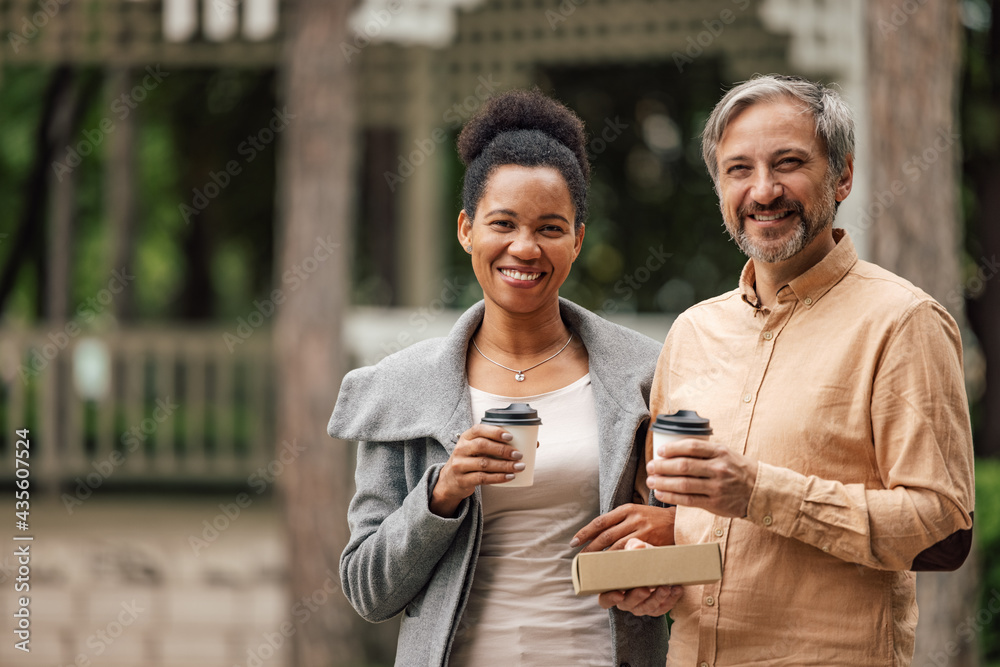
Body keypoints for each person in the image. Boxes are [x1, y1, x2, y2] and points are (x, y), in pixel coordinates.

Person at [598, 75, 976, 666]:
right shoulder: (692, 333)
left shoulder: (903, 322)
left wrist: (756, 491)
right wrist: (654, 564)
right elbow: (686, 513)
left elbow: (943, 532)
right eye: (738, 169)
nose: (764, 190)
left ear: (843, 176)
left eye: (789, 162)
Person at [329, 89, 671, 666]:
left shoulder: (644, 376)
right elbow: (368, 591)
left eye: (550, 228)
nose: (524, 247)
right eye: (503, 223)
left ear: (578, 239)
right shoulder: (402, 388)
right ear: (466, 229)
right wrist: (440, 494)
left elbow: (688, 543)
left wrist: (668, 538)